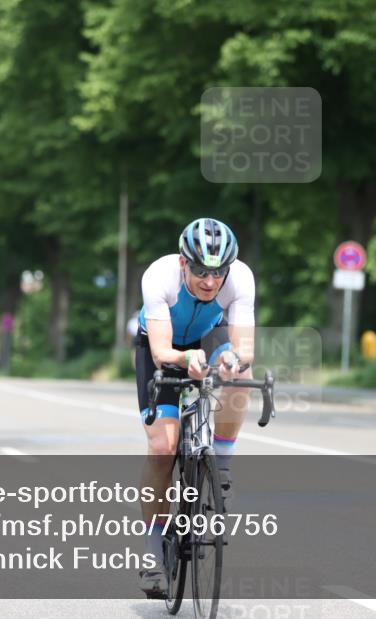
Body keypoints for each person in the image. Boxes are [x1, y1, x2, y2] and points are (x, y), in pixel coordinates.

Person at [135, 218, 256, 597]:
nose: (210, 281)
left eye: (218, 272)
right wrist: (186, 359)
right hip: (163, 348)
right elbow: (161, 352)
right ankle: (153, 553)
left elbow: (244, 347)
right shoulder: (160, 276)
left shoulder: (241, 279)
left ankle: (222, 466)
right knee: (162, 448)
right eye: (201, 270)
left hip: (209, 338)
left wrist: (233, 361)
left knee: (240, 375)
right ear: (183, 263)